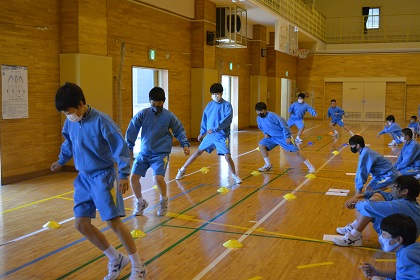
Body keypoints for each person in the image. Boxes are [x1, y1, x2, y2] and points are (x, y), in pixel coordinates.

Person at [50, 83, 146, 280]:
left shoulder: (102, 121)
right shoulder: (70, 123)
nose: (68, 116)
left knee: (114, 222)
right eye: (64, 113)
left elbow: (121, 149)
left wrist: (123, 175)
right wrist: (61, 160)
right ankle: (116, 258)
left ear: (80, 104)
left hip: (105, 177)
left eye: (69, 111)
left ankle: (138, 266)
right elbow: (68, 143)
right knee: (81, 224)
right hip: (83, 178)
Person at [126, 87, 190, 217]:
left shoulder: (169, 116)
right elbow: (132, 129)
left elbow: (179, 130)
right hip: (144, 152)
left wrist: (185, 144)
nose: (156, 106)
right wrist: (129, 147)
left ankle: (164, 200)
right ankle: (140, 202)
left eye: (159, 104)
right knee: (133, 178)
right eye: (153, 104)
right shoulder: (143, 114)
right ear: (150, 102)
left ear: (163, 102)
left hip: (160, 154)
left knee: (158, 178)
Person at [175, 83, 242, 184]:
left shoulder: (227, 105)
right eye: (213, 94)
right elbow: (205, 120)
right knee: (198, 152)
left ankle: (235, 175)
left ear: (221, 93)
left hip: (222, 136)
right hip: (210, 136)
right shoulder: (209, 105)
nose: (215, 96)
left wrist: (216, 128)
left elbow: (227, 120)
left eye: (217, 93)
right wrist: (202, 133)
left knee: (227, 157)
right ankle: (182, 170)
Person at [333, 175, 420, 247]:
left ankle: (353, 236)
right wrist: (358, 196)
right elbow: (381, 193)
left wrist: (355, 204)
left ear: (404, 191)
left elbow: (367, 207)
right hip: (402, 237)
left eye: (395, 187)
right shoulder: (409, 202)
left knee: (372, 206)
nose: (392, 188)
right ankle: (354, 229)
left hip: (396, 243)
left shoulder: (400, 206)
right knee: (377, 197)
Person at [254, 102, 315, 173]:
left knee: (296, 151)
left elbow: (284, 125)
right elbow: (261, 127)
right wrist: (265, 133)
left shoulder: (272, 116)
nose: (259, 113)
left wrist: (287, 136)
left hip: (283, 136)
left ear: (264, 110)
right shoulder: (258, 119)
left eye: (260, 111)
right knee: (261, 145)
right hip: (272, 137)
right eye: (257, 111)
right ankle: (268, 165)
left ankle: (311, 167)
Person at [360, 214, 420, 279]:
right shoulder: (413, 246)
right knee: (376, 276)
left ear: (398, 239)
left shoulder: (405, 255)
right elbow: (401, 274)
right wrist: (376, 272)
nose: (381, 237)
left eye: (384, 234)